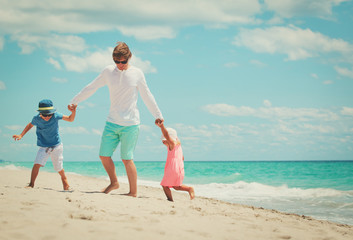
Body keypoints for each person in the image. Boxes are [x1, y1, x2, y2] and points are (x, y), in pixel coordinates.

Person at [70, 42, 163, 196]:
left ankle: (133, 192)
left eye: (123, 62)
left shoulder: (137, 73)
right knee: (104, 155)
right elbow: (91, 87)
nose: (120, 65)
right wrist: (75, 101)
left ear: (129, 58)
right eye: (117, 62)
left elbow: (147, 95)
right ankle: (114, 182)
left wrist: (158, 115)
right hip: (112, 122)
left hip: (131, 124)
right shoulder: (108, 72)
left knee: (127, 159)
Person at [12, 99, 77, 190]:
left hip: (56, 145)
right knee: (37, 164)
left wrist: (73, 112)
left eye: (49, 114)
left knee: (58, 167)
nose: (47, 117)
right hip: (44, 146)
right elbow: (29, 125)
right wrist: (21, 135)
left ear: (53, 113)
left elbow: (70, 119)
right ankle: (31, 184)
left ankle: (64, 179)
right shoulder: (36, 118)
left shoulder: (55, 116)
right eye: (44, 115)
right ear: (40, 113)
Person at [156, 122, 195, 201]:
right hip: (179, 169)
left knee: (164, 185)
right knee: (176, 186)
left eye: (164, 140)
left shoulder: (172, 144)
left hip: (173, 169)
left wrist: (161, 126)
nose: (163, 142)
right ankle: (189, 189)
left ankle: (170, 200)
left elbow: (166, 135)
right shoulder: (178, 146)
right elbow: (182, 158)